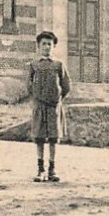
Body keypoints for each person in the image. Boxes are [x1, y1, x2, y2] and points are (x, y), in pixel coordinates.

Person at [27, 30, 71, 182]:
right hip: (39, 107)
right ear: (39, 46)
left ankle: (52, 169)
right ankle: (40, 170)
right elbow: (29, 85)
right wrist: (38, 99)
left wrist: (57, 99)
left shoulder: (58, 65)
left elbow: (66, 86)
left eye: (49, 44)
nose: (46, 47)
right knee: (39, 138)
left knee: (53, 138)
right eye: (43, 44)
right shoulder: (34, 65)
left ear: (54, 47)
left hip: (53, 107)